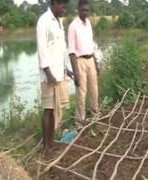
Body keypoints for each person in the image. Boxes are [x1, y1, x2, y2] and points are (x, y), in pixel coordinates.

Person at [36, 0, 73, 156]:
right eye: (62, 6)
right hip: (50, 76)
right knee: (48, 110)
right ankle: (46, 147)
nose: (64, 9)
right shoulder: (44, 21)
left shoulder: (60, 21)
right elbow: (42, 49)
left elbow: (61, 48)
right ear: (54, 3)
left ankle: (51, 143)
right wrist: (48, 73)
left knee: (56, 110)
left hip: (59, 74)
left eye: (66, 6)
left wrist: (67, 70)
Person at [68, 0, 100, 128]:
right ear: (78, 9)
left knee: (94, 90)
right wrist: (75, 73)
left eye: (87, 10)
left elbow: (91, 46)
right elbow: (71, 51)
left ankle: (95, 116)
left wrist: (96, 64)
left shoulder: (88, 24)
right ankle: (80, 122)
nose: (85, 12)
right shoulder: (73, 26)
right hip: (79, 61)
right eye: (83, 10)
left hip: (91, 59)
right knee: (81, 93)